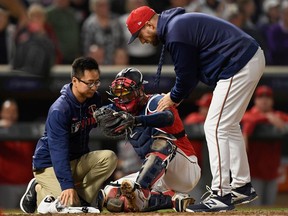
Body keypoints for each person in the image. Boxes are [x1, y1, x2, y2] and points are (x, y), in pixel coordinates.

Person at [125, 5, 265, 212]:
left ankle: (221, 194)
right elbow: (192, 72)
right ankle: (242, 185)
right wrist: (176, 97)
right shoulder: (176, 26)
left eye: (140, 34)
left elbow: (187, 76)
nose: (142, 40)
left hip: (238, 63)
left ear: (149, 24)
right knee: (227, 126)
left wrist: (173, 97)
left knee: (214, 127)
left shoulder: (175, 31)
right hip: (247, 59)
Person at [19, 57, 117, 213]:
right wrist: (67, 185)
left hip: (77, 160)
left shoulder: (94, 98)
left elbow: (103, 118)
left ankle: (83, 200)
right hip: (49, 164)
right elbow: (58, 151)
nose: (94, 87)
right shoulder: (60, 110)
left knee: (109, 157)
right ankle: (37, 189)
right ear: (75, 80)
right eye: (90, 83)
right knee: (66, 208)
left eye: (97, 82)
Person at [99, 67, 201, 212]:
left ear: (140, 90)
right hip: (157, 177)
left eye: (127, 92)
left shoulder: (155, 101)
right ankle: (173, 200)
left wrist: (136, 120)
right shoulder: (119, 112)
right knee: (111, 193)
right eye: (119, 93)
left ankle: (140, 192)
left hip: (184, 168)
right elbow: (99, 113)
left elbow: (167, 117)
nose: (123, 98)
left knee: (162, 142)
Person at [241, 85, 288, 206]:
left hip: (272, 170)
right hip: (253, 172)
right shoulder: (248, 115)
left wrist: (280, 124)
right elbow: (247, 118)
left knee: (269, 206)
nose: (264, 100)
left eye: (267, 97)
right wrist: (266, 117)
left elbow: (285, 126)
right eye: (261, 97)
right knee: (255, 208)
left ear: (272, 100)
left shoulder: (279, 116)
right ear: (255, 100)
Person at [0, 99, 36, 209]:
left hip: (26, 184)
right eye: (7, 111)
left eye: (13, 111)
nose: (11, 114)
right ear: (1, 113)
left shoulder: (25, 130)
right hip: (7, 185)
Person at [184, 93, 213, 202]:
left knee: (209, 196)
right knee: (195, 197)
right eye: (202, 106)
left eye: (205, 107)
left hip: (209, 167)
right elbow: (191, 122)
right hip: (194, 165)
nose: (202, 109)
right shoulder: (194, 117)